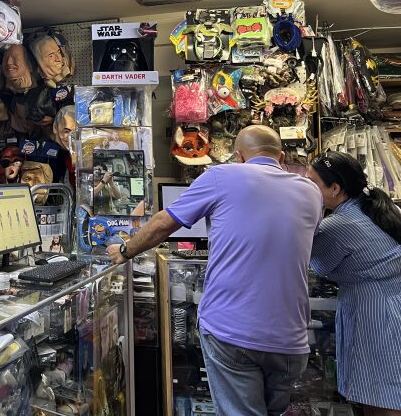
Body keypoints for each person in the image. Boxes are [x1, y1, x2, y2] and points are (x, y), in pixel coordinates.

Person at [107, 126, 321, 416]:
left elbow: (163, 224)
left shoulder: (222, 175)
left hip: (233, 331)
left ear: (238, 156)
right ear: (281, 156)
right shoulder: (310, 191)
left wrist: (124, 251)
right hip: (291, 340)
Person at [307, 151, 401, 416]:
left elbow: (318, 266)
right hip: (391, 303)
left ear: (335, 188)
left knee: (381, 396)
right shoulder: (380, 207)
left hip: (376, 314)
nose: (306, 189)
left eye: (312, 183)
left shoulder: (338, 225)